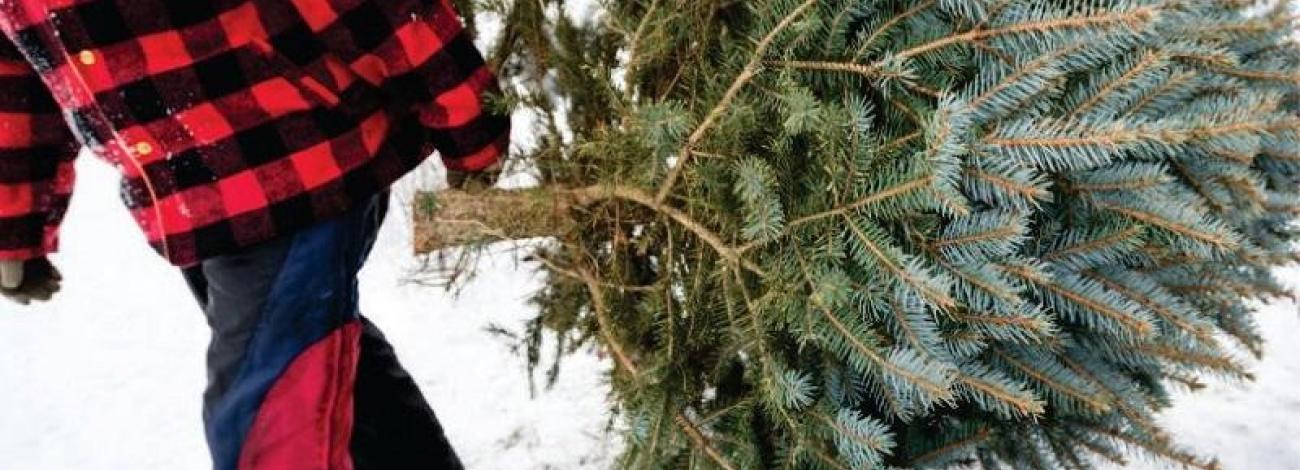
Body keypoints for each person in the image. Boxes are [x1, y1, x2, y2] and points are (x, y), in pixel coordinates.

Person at [0, 1, 508, 469]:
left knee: (271, 411)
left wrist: (469, 120)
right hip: (187, 203)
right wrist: (13, 225)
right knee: (328, 376)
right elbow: (16, 75)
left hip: (300, 160)